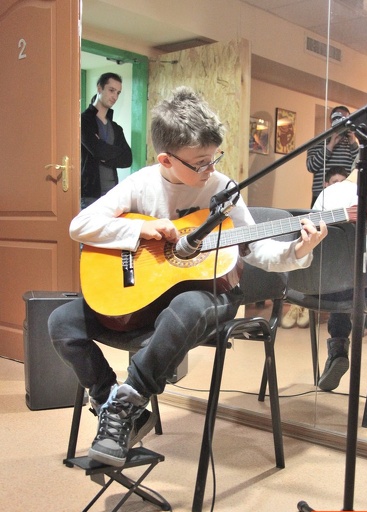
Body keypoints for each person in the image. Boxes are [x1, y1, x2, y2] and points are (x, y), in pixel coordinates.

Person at [48, 86, 327, 468]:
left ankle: (129, 400)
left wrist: (298, 250)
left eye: (214, 158)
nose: (211, 170)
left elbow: (256, 250)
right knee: (61, 322)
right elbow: (80, 226)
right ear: (166, 159)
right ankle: (111, 402)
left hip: (209, 295)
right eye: (200, 163)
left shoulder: (222, 189)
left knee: (188, 306)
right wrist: (139, 230)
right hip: (146, 299)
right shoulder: (142, 184)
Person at [313, 135, 367, 391]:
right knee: (366, 275)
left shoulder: (329, 191)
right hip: (346, 289)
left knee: (348, 271)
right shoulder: (356, 198)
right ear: (364, 164)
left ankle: (338, 347)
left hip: (316, 285)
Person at [281, 166, 347, 329]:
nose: (339, 186)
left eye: (342, 182)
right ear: (325, 184)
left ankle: (302, 306)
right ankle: (299, 305)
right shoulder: (317, 208)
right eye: (335, 182)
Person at [80, 72, 132, 210]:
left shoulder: (116, 128)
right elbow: (98, 151)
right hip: (90, 195)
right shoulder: (83, 121)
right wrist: (113, 152)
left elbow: (127, 159)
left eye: (118, 93)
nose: (115, 96)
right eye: (111, 90)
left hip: (112, 193)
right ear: (99, 88)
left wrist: (103, 154)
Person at [307, 105, 359, 207]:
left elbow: (359, 166)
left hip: (345, 194)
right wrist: (330, 145)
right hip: (321, 193)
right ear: (331, 120)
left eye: (345, 119)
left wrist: (353, 143)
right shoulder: (318, 141)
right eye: (338, 118)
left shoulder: (351, 143)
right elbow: (311, 166)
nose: (342, 122)